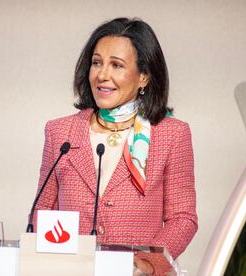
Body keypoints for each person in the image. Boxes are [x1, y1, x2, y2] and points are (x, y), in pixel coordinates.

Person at [31, 17, 197, 261]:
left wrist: (145, 265)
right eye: (96, 63)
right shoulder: (60, 133)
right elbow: (42, 210)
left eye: (117, 65)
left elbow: (182, 219)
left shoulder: (172, 134)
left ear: (144, 77)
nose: (102, 75)